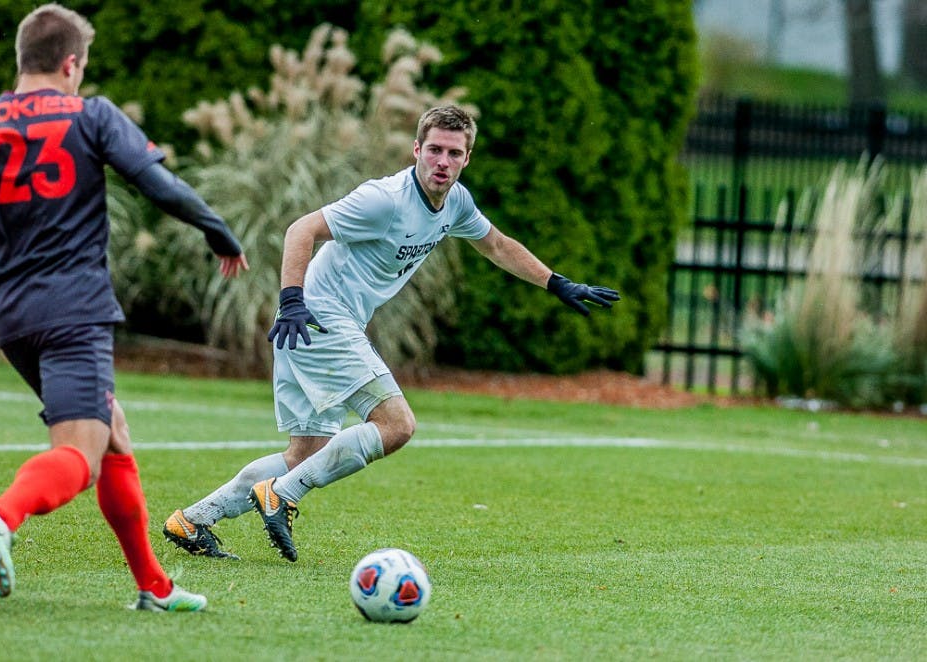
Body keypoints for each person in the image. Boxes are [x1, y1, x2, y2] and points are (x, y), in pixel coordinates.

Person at [163, 105, 618, 562]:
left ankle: (193, 520)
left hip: (314, 324)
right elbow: (302, 229)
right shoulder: (384, 199)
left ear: (467, 159)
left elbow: (496, 245)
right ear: (416, 150)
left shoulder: (456, 201)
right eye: (434, 150)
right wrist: (292, 300)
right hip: (315, 317)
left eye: (453, 153)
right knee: (396, 424)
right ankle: (281, 495)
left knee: (305, 452)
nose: (443, 161)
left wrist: (555, 281)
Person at [0, 4, 249, 610]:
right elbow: (159, 184)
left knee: (115, 436)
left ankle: (155, 587)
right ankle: (2, 516)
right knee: (81, 451)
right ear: (71, 64)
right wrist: (218, 231)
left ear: (22, 60)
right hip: (73, 310)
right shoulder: (91, 114)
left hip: (11, 318)